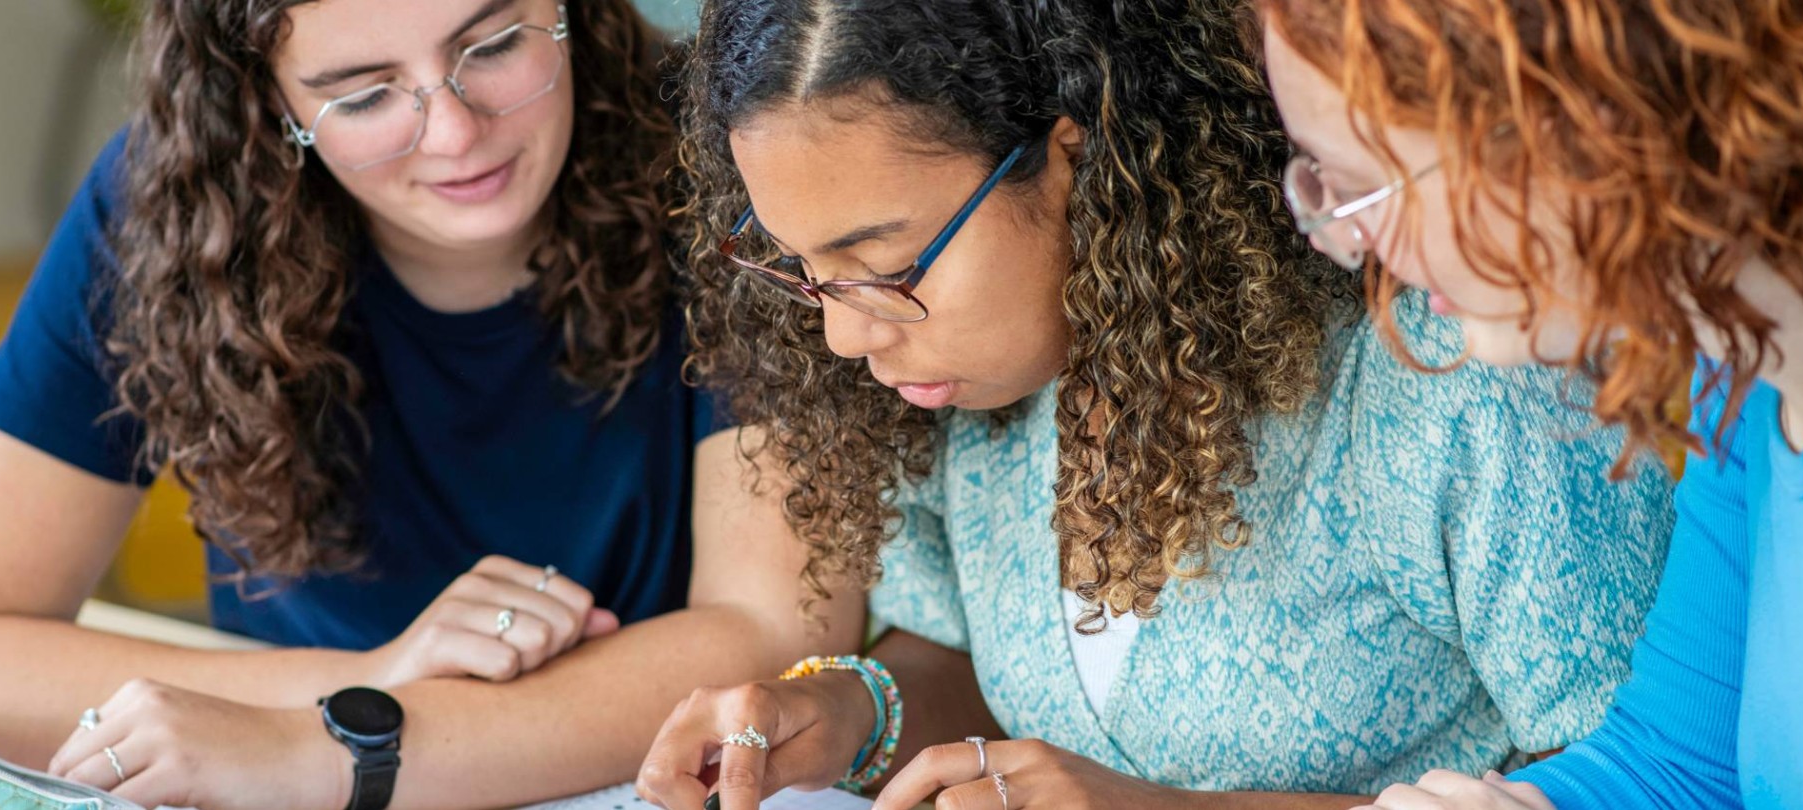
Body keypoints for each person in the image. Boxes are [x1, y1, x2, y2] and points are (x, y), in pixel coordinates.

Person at [632, 1, 1676, 808]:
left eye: (887, 266)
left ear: (1075, 158)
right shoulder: (967, 389)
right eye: (798, 268)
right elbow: (957, 657)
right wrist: (843, 709)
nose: (842, 334)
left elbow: (1633, 776)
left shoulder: (1451, 362)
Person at [0, 1, 862, 808]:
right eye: (364, 94)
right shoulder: (171, 205)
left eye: (496, 42)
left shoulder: (726, 149)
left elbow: (773, 635)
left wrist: (347, 742)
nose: (455, 131)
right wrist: (364, 683)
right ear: (266, 101)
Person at [1254, 0, 1803, 807]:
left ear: (1569, 116)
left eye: (1364, 189)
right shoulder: (1737, 373)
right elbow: (1683, 764)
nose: (1348, 245)